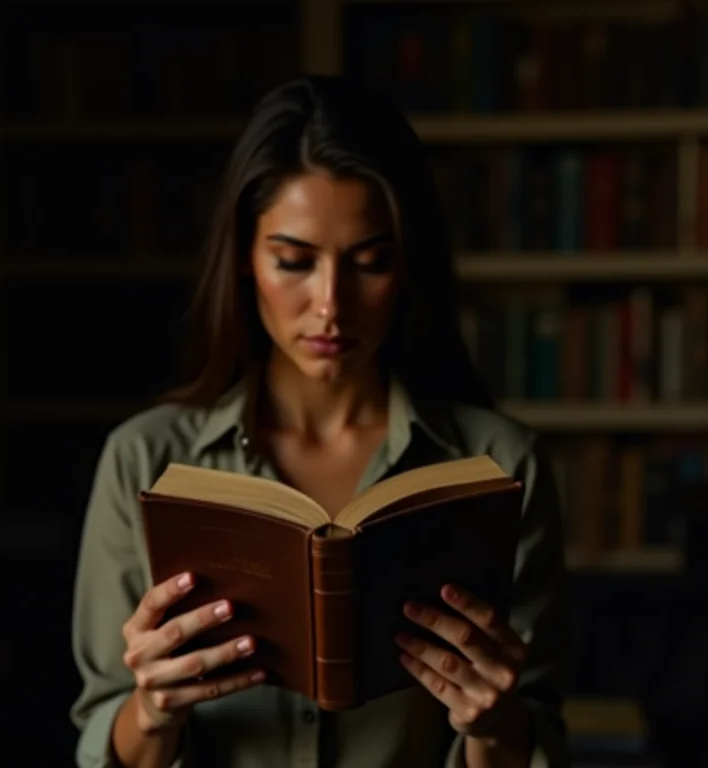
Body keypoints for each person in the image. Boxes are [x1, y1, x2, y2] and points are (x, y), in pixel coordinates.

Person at [70, 75, 569, 768]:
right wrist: (151, 710)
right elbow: (102, 738)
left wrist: (493, 724)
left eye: (370, 262)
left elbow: (538, 736)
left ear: (408, 266)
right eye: (294, 262)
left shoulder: (502, 465)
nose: (331, 306)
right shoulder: (143, 461)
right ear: (245, 259)